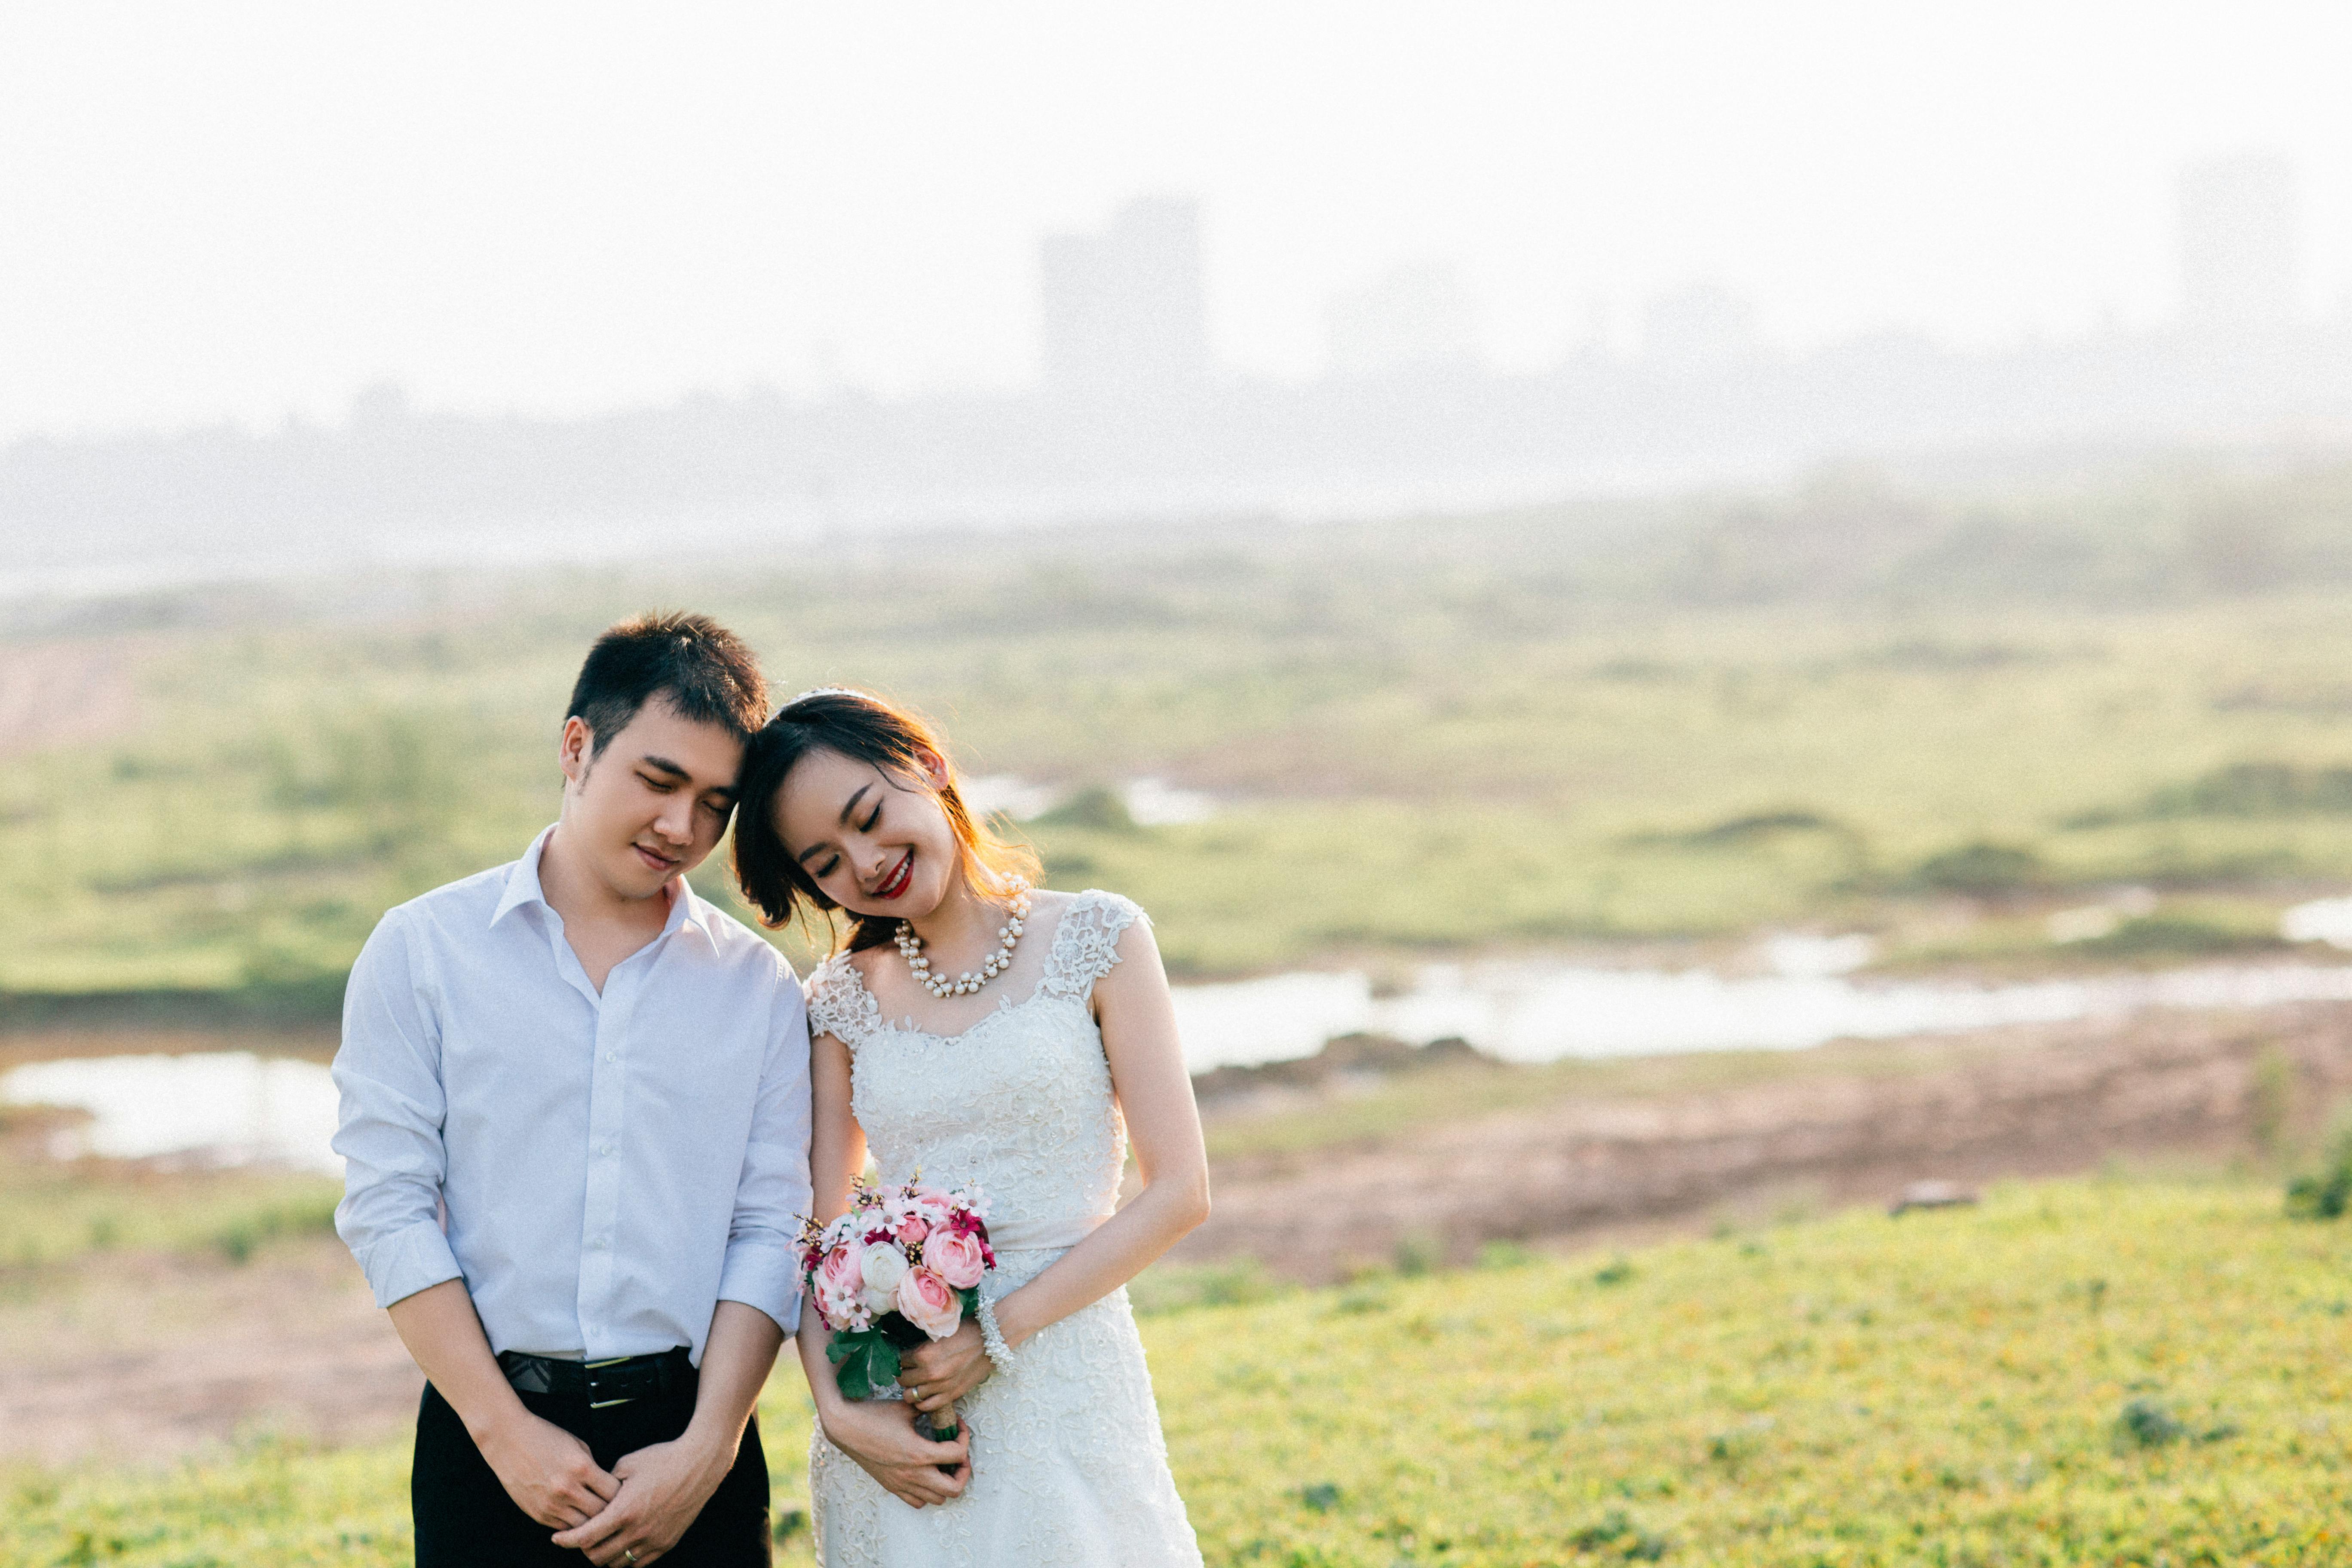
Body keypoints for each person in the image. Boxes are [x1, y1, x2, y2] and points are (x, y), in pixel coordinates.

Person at [332, 612, 812, 1568]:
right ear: (577, 746)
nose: (683, 828)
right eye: (659, 780)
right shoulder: (422, 952)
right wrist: (504, 1432)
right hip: (488, 1438)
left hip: (694, 1443)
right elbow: (387, 1206)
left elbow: (771, 1226)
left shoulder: (757, 989)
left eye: (716, 804)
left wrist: (709, 1447)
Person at [731, 687, 1210, 1567]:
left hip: (1065, 1377)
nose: (867, 864)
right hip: (904, 1413)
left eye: (871, 817)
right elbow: (812, 1227)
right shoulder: (839, 1002)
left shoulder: (1100, 939)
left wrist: (995, 1336)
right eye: (826, 863)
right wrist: (841, 1409)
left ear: (929, 766)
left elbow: (1180, 1193)